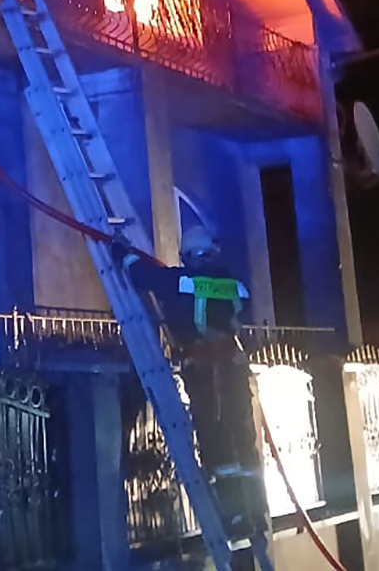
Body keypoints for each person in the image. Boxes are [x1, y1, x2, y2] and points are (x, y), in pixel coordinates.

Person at [112, 224, 270, 542]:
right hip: (235, 368)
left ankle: (235, 516)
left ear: (187, 256)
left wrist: (121, 251)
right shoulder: (235, 285)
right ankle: (256, 513)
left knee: (215, 438)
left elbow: (142, 275)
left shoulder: (180, 281)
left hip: (205, 370)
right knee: (243, 436)